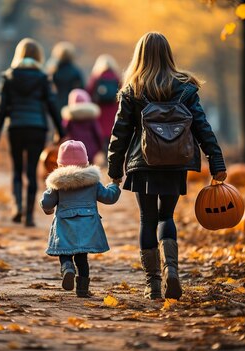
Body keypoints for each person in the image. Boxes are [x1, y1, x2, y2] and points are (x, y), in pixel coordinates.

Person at [107, 32, 227, 300]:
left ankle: (153, 285)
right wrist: (215, 160)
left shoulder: (133, 89)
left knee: (147, 220)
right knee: (166, 217)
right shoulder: (184, 87)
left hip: (144, 163)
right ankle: (171, 269)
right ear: (167, 54)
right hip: (176, 163)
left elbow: (120, 133)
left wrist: (115, 170)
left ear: (140, 56)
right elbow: (201, 126)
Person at [0, 38, 66, 227]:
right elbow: (51, 105)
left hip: (15, 127)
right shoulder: (43, 77)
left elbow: (1, 109)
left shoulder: (8, 77)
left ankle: (18, 208)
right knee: (32, 171)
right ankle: (30, 216)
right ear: (38, 56)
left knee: (17, 170)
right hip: (37, 128)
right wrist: (60, 131)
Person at [41, 140, 120, 297]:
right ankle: (83, 289)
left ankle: (67, 268)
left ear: (60, 164)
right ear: (85, 162)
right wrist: (114, 185)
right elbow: (109, 197)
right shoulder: (92, 182)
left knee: (64, 252)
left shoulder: (57, 184)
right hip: (87, 225)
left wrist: (47, 207)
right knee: (82, 258)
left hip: (65, 225)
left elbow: (47, 202)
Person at [86, 54, 121, 149]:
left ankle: (102, 153)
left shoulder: (96, 77)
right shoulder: (117, 78)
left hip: (99, 111)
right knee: (111, 134)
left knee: (101, 133)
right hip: (113, 111)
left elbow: (88, 92)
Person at [61, 89, 103, 163]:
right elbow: (98, 134)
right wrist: (99, 148)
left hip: (73, 151)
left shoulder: (69, 118)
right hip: (90, 150)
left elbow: (63, 132)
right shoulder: (91, 118)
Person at [49, 42, 85, 112]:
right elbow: (81, 89)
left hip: (56, 104)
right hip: (72, 105)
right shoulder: (75, 71)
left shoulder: (53, 71)